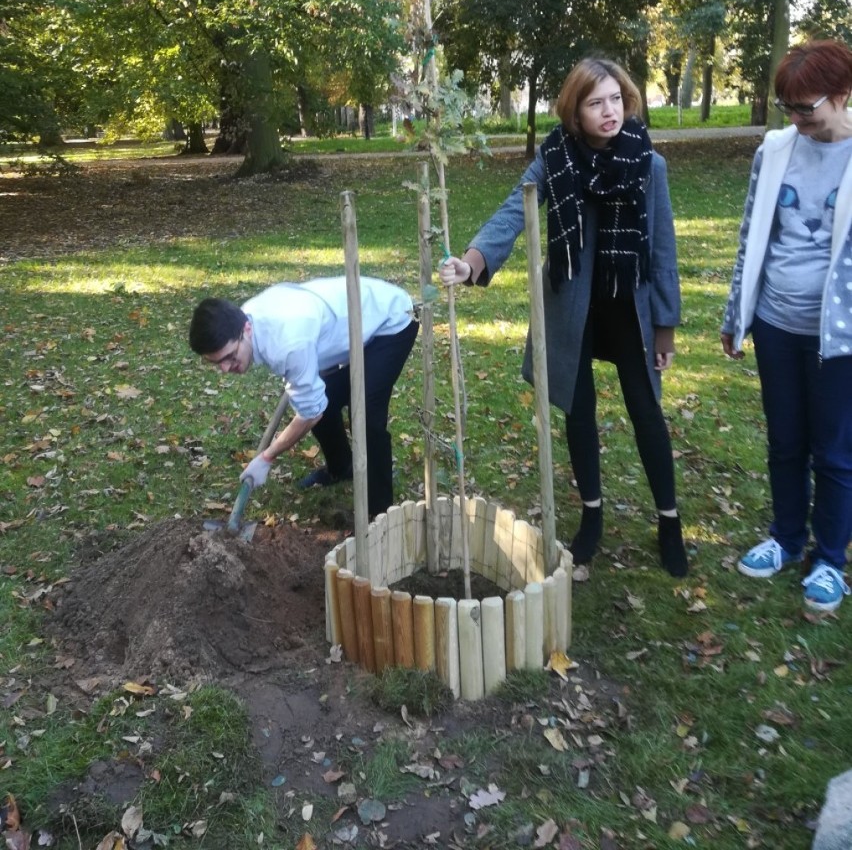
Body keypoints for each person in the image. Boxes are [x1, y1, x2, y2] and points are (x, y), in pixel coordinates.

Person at [440, 57, 687, 576]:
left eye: (616, 99)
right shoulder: (556, 159)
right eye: (596, 102)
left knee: (646, 410)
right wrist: (473, 261)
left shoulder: (648, 163)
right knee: (579, 411)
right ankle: (591, 516)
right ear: (575, 110)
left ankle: (669, 521)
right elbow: (515, 209)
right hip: (573, 308)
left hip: (629, 307)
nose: (609, 110)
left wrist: (664, 326)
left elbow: (662, 249)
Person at [721, 38, 852, 614]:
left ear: (844, 95)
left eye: (808, 108)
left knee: (835, 451)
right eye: (789, 108)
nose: (798, 120)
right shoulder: (774, 150)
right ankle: (785, 537)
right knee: (785, 442)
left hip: (839, 337)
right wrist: (736, 314)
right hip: (776, 322)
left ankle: (829, 562)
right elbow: (752, 234)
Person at [189, 277, 419, 518]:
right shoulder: (244, 320)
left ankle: (379, 513)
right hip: (350, 321)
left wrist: (267, 457)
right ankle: (342, 468)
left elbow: (310, 413)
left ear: (246, 329)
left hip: (390, 321)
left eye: (229, 356)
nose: (225, 369)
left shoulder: (286, 344)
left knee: (365, 416)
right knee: (324, 400)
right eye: (216, 363)